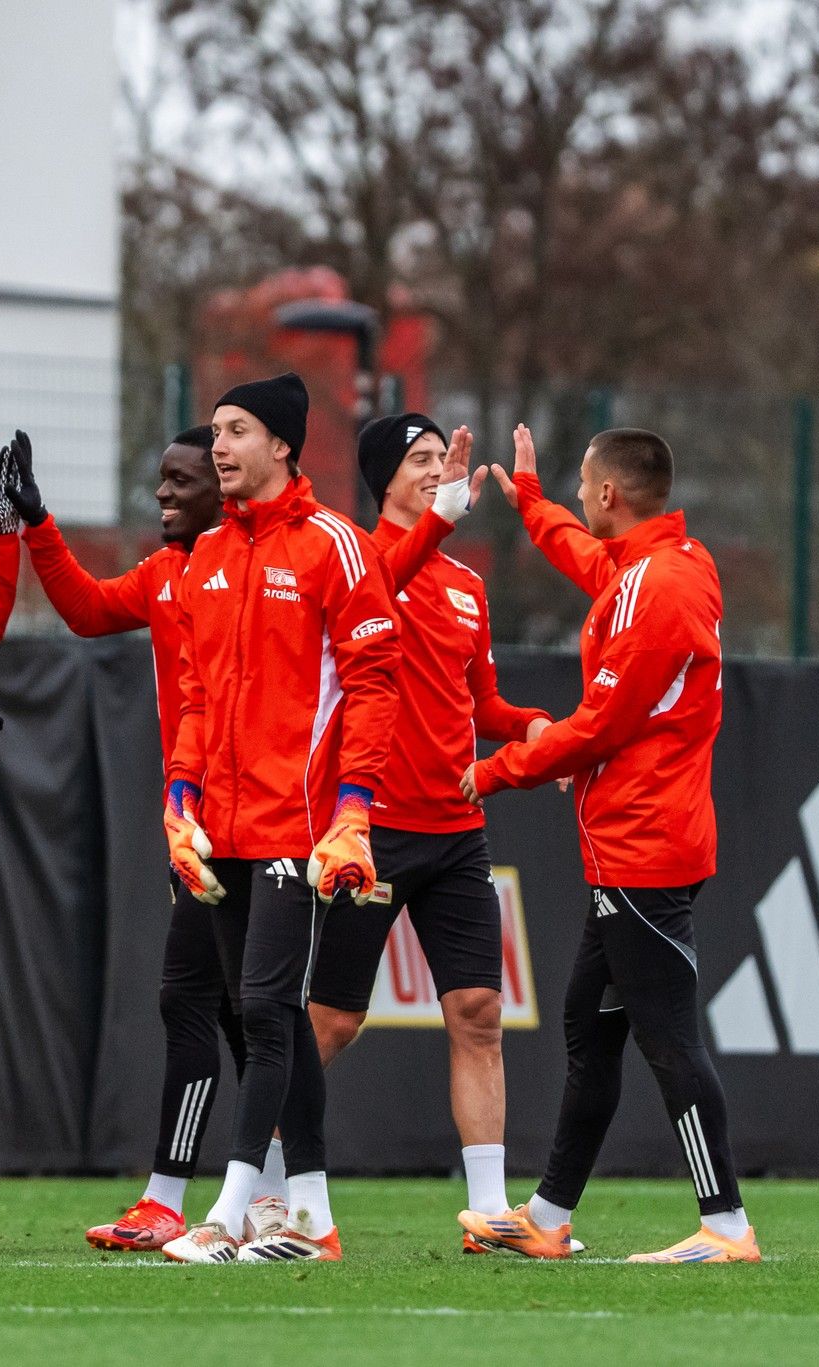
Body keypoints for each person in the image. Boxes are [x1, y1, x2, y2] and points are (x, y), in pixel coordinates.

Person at [458, 424, 758, 1264]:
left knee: (666, 1037)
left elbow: (599, 724)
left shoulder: (657, 587)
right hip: (630, 843)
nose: (580, 492)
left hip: (644, 846)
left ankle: (726, 1225)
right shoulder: (662, 564)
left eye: (582, 482)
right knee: (589, 1030)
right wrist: (532, 505)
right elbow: (594, 568)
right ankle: (549, 1217)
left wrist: (493, 772)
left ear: (608, 495)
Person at [156, 374, 403, 1264]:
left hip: (301, 828)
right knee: (270, 1018)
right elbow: (192, 695)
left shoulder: (334, 544)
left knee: (265, 1010)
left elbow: (375, 688)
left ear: (284, 445)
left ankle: (227, 1216)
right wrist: (179, 800)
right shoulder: (207, 556)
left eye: (238, 430)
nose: (219, 447)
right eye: (217, 431)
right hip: (219, 831)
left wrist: (354, 812)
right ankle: (311, 1219)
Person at [13, 426, 273, 1251]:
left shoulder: (262, 568)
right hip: (195, 818)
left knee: (225, 1004)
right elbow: (88, 609)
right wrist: (37, 523)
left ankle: (211, 1195)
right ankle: (271, 1193)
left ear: (225, 490)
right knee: (234, 1010)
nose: (162, 495)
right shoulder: (167, 574)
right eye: (159, 481)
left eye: (179, 481)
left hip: (258, 818)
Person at [304, 412, 552, 1252]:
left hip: (457, 833)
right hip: (370, 829)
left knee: (479, 1009)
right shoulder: (360, 563)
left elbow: (480, 706)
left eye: (441, 458)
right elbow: (380, 590)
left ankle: (492, 1211)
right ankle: (261, 1184)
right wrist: (440, 514)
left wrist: (534, 731)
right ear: (385, 477)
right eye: (420, 459)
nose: (438, 469)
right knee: (331, 1022)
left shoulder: (466, 585)